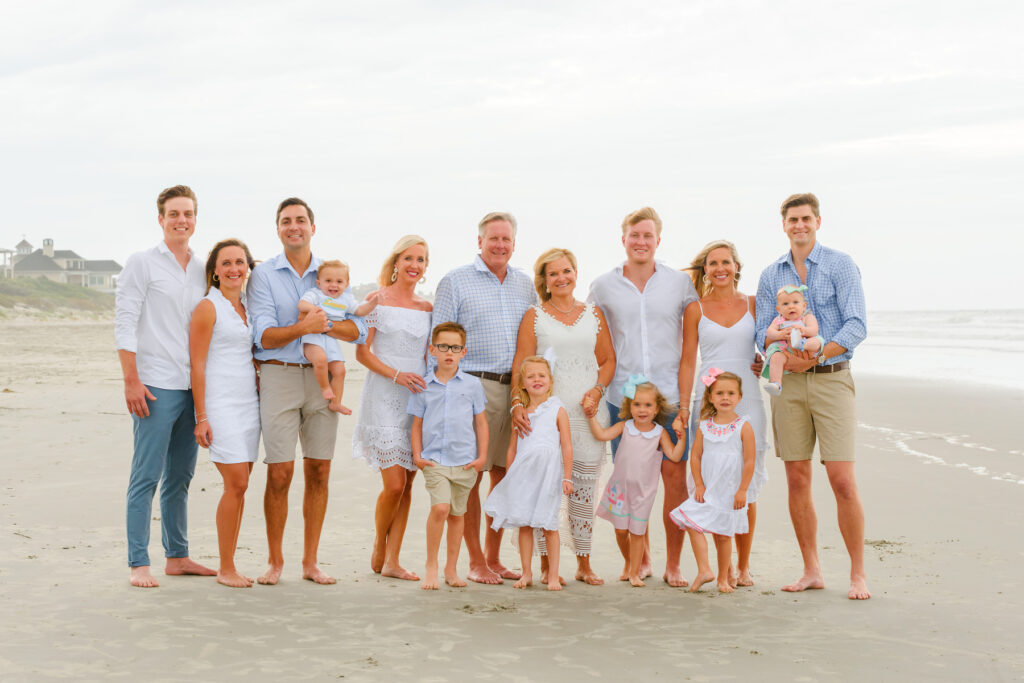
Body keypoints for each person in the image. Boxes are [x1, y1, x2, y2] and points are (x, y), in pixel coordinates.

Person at [755, 192, 870, 600]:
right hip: (786, 383)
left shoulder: (840, 264)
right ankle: (811, 569)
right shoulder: (771, 275)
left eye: (806, 218)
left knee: (842, 481)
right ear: (783, 225)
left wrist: (816, 353)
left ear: (818, 221)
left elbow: (856, 326)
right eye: (792, 220)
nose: (799, 225)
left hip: (832, 379)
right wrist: (776, 356)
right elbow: (759, 331)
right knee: (797, 477)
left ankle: (857, 574)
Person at [248, 197, 367, 586]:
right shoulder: (264, 274)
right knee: (279, 472)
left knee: (319, 470)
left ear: (313, 228)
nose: (293, 226)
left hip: (324, 383)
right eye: (286, 221)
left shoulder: (332, 273)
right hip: (279, 375)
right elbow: (263, 335)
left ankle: (311, 562)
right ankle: (275, 561)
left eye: (301, 220)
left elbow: (358, 329)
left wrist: (324, 326)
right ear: (278, 229)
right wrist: (305, 327)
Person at [588, 206, 698, 587]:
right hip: (624, 400)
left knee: (674, 480)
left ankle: (674, 564)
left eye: (648, 235)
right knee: (631, 482)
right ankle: (641, 558)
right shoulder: (603, 286)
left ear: (658, 240)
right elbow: (592, 339)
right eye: (634, 235)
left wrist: (686, 404)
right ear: (624, 239)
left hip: (669, 396)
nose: (641, 242)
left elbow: (691, 349)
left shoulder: (679, 284)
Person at [116, 184, 216, 588]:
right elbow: (125, 322)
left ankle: (177, 556)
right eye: (173, 213)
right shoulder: (142, 263)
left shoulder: (203, 267)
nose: (181, 220)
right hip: (154, 386)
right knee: (146, 476)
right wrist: (131, 381)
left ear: (195, 219)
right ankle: (139, 563)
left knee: (181, 477)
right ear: (161, 219)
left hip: (192, 388)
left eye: (188, 213)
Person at [432, 212, 536, 584]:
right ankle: (474, 561)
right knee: (471, 476)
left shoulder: (525, 285)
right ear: (479, 242)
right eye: (493, 238)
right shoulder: (455, 281)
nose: (500, 245)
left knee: (505, 474)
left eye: (506, 239)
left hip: (518, 390)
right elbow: (438, 339)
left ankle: (493, 557)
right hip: (473, 387)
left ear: (514, 244)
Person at [509, 247, 615, 585]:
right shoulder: (534, 315)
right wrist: (517, 405)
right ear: (545, 280)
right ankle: (546, 566)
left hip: (585, 411)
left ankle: (584, 564)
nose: (562, 278)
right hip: (546, 413)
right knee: (546, 486)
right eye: (554, 273)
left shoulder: (593, 313)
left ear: (575, 273)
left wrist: (597, 391)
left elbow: (608, 360)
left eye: (567, 270)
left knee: (583, 487)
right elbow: (521, 365)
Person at [675, 239, 768, 587]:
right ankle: (722, 569)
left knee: (748, 483)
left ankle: (742, 567)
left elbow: (772, 346)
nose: (720, 268)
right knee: (713, 484)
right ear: (705, 270)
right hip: (709, 400)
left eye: (725, 262)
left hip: (749, 401)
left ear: (736, 266)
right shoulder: (695, 309)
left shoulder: (755, 304)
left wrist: (766, 365)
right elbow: (687, 361)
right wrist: (686, 407)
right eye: (713, 263)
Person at [352, 235, 432, 581]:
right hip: (385, 393)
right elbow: (362, 353)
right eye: (409, 258)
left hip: (417, 398)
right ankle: (379, 543)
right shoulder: (377, 301)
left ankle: (393, 561)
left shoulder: (427, 309)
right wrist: (396, 375)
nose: (415, 265)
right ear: (396, 262)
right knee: (395, 484)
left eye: (422, 260)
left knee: (410, 483)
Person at [189, 239, 261, 588]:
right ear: (214, 271)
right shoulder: (208, 307)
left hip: (249, 403)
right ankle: (226, 568)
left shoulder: (247, 305)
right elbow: (197, 365)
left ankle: (230, 563)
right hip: (220, 405)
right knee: (237, 483)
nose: (234, 268)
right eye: (227, 263)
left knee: (241, 487)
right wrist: (201, 416)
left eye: (240, 262)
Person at [408, 323, 489, 590]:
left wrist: (481, 457)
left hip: (465, 461)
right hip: (435, 460)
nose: (449, 353)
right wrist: (417, 456)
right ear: (433, 350)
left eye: (455, 348)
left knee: (457, 515)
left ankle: (451, 569)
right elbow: (417, 424)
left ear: (463, 352)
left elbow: (481, 423)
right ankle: (431, 565)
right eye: (443, 347)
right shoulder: (424, 386)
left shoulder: (472, 385)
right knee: (440, 508)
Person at [484, 357, 574, 591]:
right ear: (522, 383)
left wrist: (567, 476)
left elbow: (566, 445)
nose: (537, 380)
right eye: (531, 376)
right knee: (524, 523)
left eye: (542, 376)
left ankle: (553, 575)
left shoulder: (557, 409)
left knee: (549, 525)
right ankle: (526, 573)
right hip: (524, 476)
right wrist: (511, 476)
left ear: (550, 381)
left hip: (548, 476)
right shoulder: (521, 414)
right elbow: (512, 447)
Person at [587, 378, 686, 587]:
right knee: (621, 531)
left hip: (643, 493)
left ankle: (634, 573)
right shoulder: (625, 426)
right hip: (619, 490)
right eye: (637, 404)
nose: (642, 410)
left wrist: (682, 438)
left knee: (637, 532)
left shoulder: (659, 433)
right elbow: (602, 435)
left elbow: (675, 456)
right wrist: (591, 418)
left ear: (656, 408)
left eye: (648, 405)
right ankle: (630, 562)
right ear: (629, 406)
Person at [670, 369, 755, 594]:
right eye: (719, 393)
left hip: (729, 490)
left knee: (723, 534)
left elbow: (749, 461)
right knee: (690, 520)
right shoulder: (705, 425)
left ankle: (723, 578)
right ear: (710, 397)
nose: (725, 397)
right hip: (707, 488)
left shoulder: (743, 426)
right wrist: (698, 484)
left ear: (739, 397)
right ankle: (704, 569)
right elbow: (695, 456)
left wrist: (743, 490)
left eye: (730, 393)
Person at [298, 260, 381, 414]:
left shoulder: (346, 300)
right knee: (320, 360)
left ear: (346, 284)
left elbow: (361, 311)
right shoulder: (316, 294)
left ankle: (336, 403)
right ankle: (325, 388)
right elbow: (302, 305)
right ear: (319, 282)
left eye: (339, 281)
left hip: (331, 338)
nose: (333, 285)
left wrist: (374, 303)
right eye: (328, 281)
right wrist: (316, 310)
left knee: (340, 370)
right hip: (313, 336)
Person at [762, 284, 823, 396]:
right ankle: (776, 384)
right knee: (776, 357)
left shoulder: (806, 317)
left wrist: (803, 330)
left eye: (795, 302)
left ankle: (801, 343)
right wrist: (780, 334)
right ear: (779, 309)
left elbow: (814, 330)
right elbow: (770, 332)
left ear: (804, 306)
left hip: (806, 345)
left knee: (817, 341)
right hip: (786, 348)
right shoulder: (779, 320)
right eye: (785, 304)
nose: (791, 306)